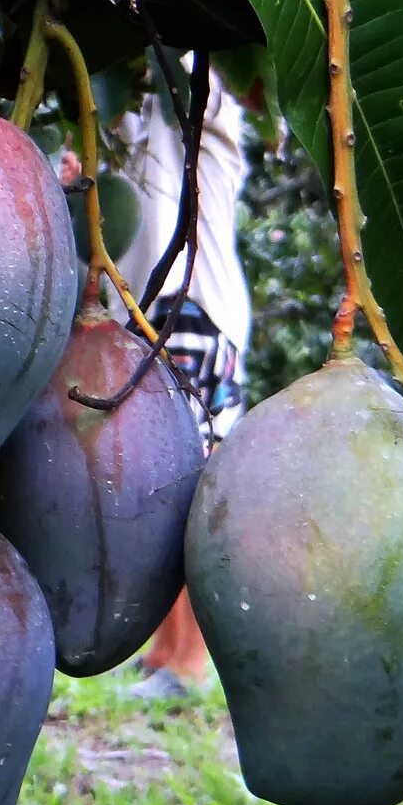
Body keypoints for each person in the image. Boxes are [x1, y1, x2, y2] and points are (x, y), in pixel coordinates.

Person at [112, 60, 253, 702]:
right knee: (154, 495)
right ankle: (162, 652)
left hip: (192, 311)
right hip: (147, 314)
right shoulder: (133, 125)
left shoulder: (200, 99)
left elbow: (183, 69)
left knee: (195, 496)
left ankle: (190, 664)